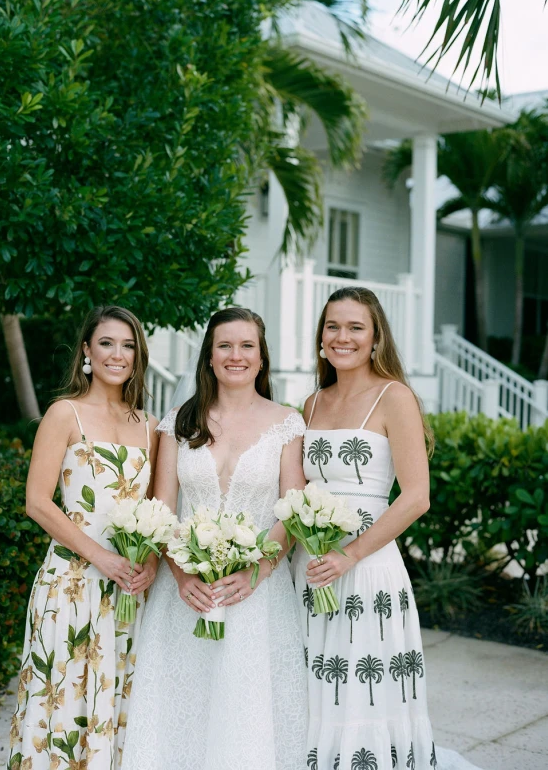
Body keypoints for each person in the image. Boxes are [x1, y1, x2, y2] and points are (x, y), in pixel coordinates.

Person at [293, 287, 482, 770]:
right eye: (333, 326)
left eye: (356, 327)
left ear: (376, 337)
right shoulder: (311, 404)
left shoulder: (394, 396)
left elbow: (416, 496)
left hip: (367, 566)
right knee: (315, 682)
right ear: (320, 337)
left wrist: (349, 555)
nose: (343, 337)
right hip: (310, 567)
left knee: (362, 686)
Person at [121, 307, 308, 770]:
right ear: (208, 356)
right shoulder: (179, 422)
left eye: (247, 346)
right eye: (224, 345)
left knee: (246, 714)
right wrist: (183, 578)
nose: (235, 355)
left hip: (257, 595)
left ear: (262, 358)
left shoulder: (287, 423)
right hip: (185, 594)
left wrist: (256, 572)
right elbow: (161, 509)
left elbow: (292, 511)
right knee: (181, 707)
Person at [8, 306, 158, 770]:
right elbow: (38, 502)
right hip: (71, 582)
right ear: (87, 351)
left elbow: (156, 510)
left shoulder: (150, 427)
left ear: (138, 355)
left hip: (130, 591)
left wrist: (145, 564)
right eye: (107, 343)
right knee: (62, 701)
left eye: (128, 345)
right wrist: (100, 557)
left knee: (118, 699)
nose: (118, 354)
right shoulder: (64, 412)